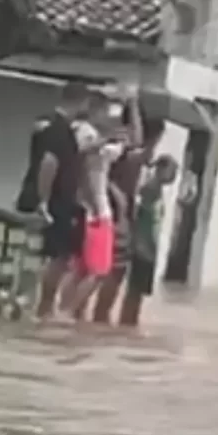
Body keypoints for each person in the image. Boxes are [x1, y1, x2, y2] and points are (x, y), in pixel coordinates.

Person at [15, 81, 90, 319]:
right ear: (82, 102)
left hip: (52, 199)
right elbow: (49, 163)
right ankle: (43, 308)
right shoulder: (59, 130)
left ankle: (33, 305)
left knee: (46, 255)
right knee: (57, 257)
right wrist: (44, 201)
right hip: (54, 202)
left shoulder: (52, 126)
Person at [90, 111, 167, 324]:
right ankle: (99, 315)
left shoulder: (131, 158)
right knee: (112, 272)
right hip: (120, 218)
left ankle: (100, 316)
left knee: (115, 273)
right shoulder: (128, 155)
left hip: (122, 217)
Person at [58, 90, 128, 320]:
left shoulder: (82, 135)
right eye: (106, 112)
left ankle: (62, 310)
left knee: (80, 269)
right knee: (97, 271)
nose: (109, 118)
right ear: (95, 110)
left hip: (82, 209)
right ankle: (67, 312)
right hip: (98, 213)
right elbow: (131, 140)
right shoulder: (90, 138)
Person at [118, 154, 179, 327]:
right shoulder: (150, 189)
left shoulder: (155, 189)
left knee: (138, 292)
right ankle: (127, 323)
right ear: (160, 169)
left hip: (148, 246)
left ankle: (129, 324)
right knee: (135, 291)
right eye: (172, 171)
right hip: (143, 245)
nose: (174, 176)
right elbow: (140, 216)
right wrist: (138, 242)